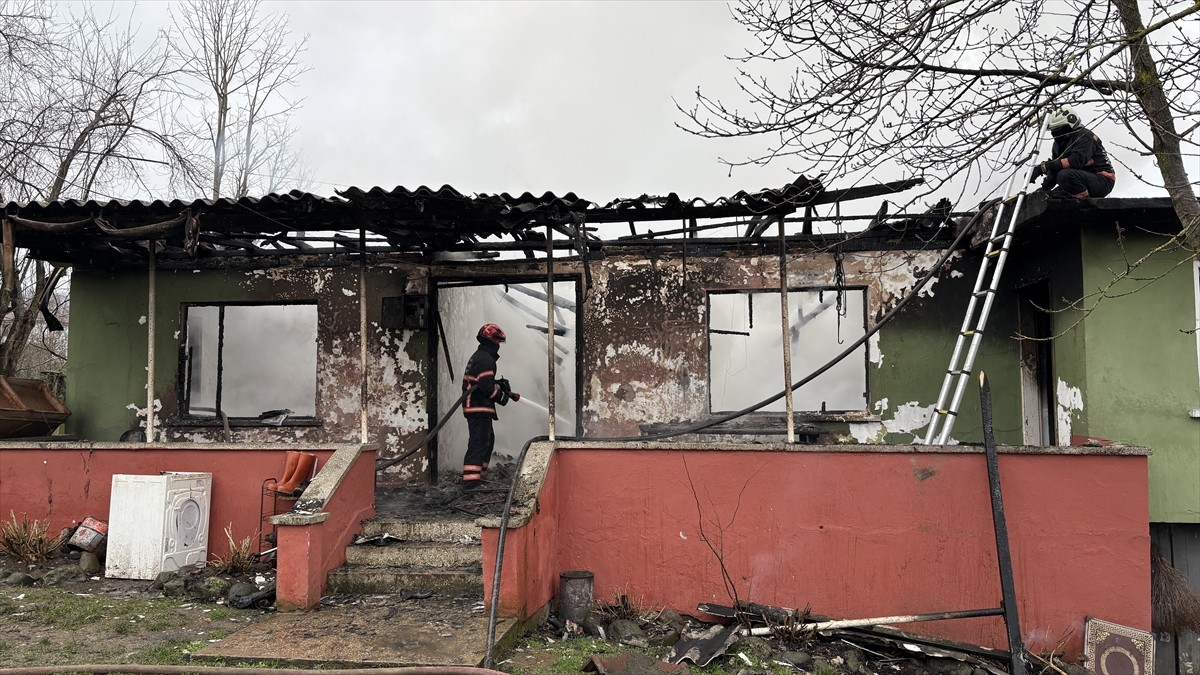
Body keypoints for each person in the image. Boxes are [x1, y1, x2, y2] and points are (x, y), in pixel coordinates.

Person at [461, 322, 519, 490]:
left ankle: (480, 476)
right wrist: (501, 397)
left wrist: (499, 385)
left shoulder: (481, 357)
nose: (499, 345)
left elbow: (484, 382)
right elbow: (486, 387)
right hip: (477, 407)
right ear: (490, 340)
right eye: (498, 341)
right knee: (478, 443)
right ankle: (471, 483)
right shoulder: (485, 359)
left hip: (479, 407)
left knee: (487, 440)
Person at [1029, 104, 1116, 199]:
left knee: (1064, 176)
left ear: (1070, 125)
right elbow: (1056, 168)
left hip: (1102, 180)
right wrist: (1044, 188)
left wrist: (1043, 168)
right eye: (1053, 130)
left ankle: (1083, 200)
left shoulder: (1085, 136)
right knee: (1050, 196)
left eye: (1058, 129)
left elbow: (1076, 161)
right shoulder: (1059, 144)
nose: (1055, 134)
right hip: (1080, 178)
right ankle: (1073, 197)